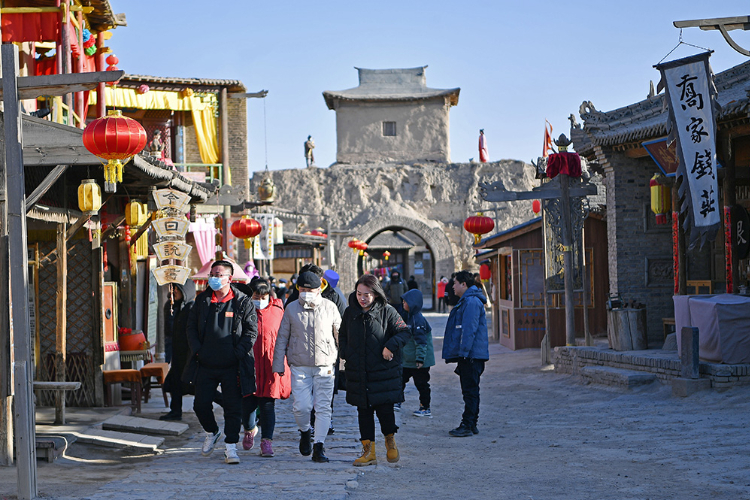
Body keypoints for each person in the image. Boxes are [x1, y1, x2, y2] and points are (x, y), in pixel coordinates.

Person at [186, 260, 258, 464]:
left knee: (233, 407)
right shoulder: (202, 300)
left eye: (218, 275)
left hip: (233, 364)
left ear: (229, 278)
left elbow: (251, 332)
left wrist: (237, 353)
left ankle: (231, 446)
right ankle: (212, 431)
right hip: (205, 362)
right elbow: (191, 327)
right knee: (200, 404)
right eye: (212, 274)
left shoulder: (242, 302)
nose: (214, 278)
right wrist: (198, 350)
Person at [340, 274, 411, 467]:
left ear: (376, 294)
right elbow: (343, 335)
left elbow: (404, 332)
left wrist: (389, 346)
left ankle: (390, 441)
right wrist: (345, 353)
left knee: (385, 410)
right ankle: (368, 452)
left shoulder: (388, 311)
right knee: (363, 412)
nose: (362, 298)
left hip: (382, 372)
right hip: (359, 372)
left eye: (367, 294)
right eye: (359, 294)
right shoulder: (350, 312)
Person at [272, 271, 341, 463]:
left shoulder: (330, 307)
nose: (306, 293)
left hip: (325, 364)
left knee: (323, 408)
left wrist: (344, 362)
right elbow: (282, 337)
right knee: (301, 407)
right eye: (302, 289)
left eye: (310, 290)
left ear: (319, 290)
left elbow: (340, 335)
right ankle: (305, 431)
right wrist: (278, 363)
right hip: (299, 364)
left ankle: (319, 445)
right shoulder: (291, 308)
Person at [240, 277, 290, 458]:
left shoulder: (278, 311)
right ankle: (249, 429)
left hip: (270, 365)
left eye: (263, 297)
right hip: (249, 365)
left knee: (268, 406)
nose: (260, 300)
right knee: (248, 406)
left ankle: (266, 441)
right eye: (256, 296)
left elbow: (285, 337)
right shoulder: (243, 310)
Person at [442, 270, 489, 437]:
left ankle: (468, 424)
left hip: (471, 355)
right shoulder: (468, 300)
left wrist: (464, 353)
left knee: (470, 391)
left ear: (464, 284)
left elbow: (469, 330)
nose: (452, 287)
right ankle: (472, 423)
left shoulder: (471, 302)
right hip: (471, 354)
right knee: (471, 390)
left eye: (455, 283)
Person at [159, 280, 196, 421]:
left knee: (196, 387)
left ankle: (229, 406)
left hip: (187, 355)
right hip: (178, 355)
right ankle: (175, 411)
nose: (174, 291)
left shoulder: (191, 308)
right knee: (174, 384)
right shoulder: (177, 307)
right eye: (173, 289)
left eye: (177, 289)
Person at [400, 289, 435, 418]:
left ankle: (425, 407)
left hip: (419, 361)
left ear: (412, 303)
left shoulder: (418, 320)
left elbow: (421, 342)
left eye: (405, 302)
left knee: (421, 384)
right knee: (400, 380)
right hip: (408, 360)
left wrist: (420, 359)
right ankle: (397, 401)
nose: (403, 303)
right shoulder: (407, 317)